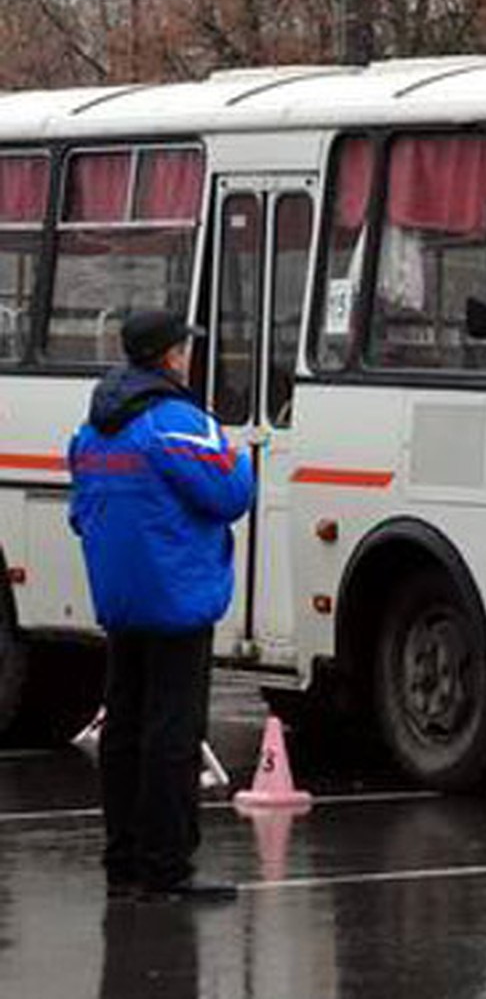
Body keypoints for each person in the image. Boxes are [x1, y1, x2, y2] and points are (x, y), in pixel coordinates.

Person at [68, 310, 254, 901]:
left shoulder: (95, 427)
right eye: (184, 349)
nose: (188, 357)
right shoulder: (179, 421)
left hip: (120, 598)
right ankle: (167, 868)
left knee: (123, 726)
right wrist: (240, 454)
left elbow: (81, 510)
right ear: (170, 357)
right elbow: (230, 494)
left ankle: (122, 864)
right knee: (173, 732)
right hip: (176, 597)